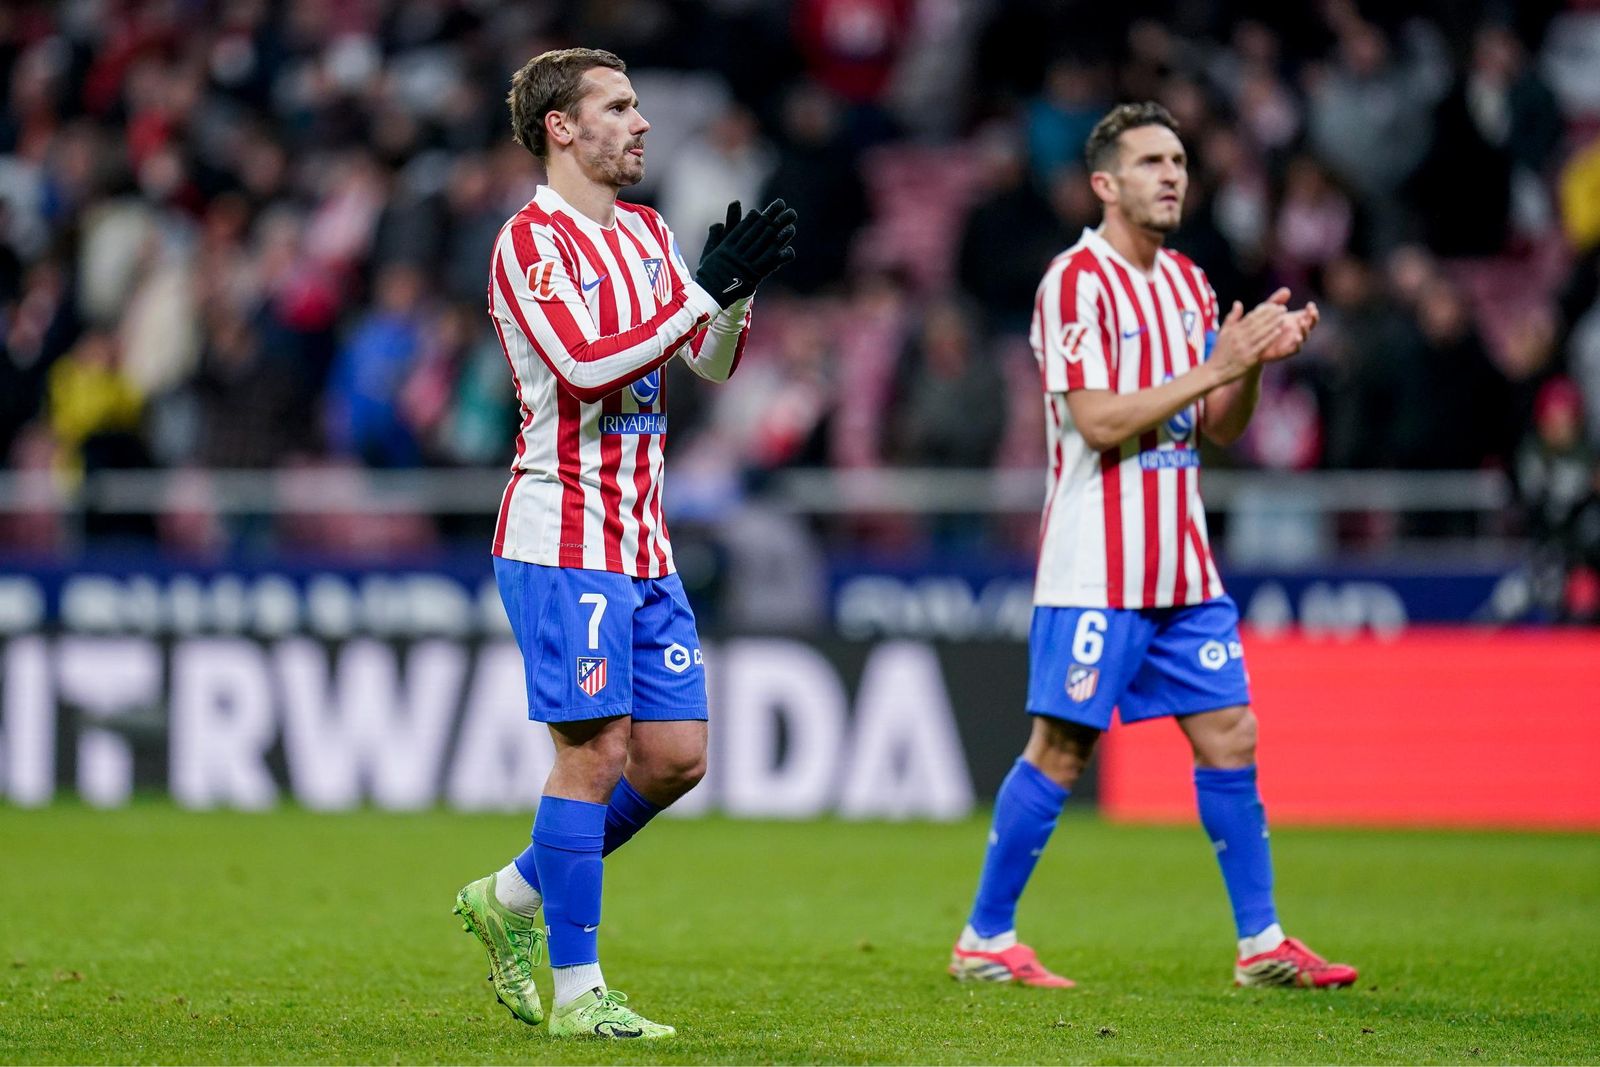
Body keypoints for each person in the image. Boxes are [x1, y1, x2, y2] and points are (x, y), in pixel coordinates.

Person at [948, 102, 1356, 990]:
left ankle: (1261, 944)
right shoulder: (1075, 282)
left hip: (1183, 563)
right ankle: (984, 934)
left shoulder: (1190, 284)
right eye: (1150, 162)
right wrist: (1217, 365)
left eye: (1178, 160)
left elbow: (1217, 426)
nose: (1172, 175)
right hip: (1096, 565)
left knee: (1232, 732)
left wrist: (1250, 364)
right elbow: (1096, 421)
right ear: (1105, 183)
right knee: (1062, 748)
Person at [451, 47, 796, 1040]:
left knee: (677, 757)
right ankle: (578, 992)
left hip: (644, 541)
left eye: (639, 104)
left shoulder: (645, 233)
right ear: (560, 127)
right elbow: (585, 366)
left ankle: (511, 894)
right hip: (561, 533)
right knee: (596, 751)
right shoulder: (529, 243)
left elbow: (707, 362)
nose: (642, 122)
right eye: (618, 106)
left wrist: (731, 295)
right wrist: (702, 291)